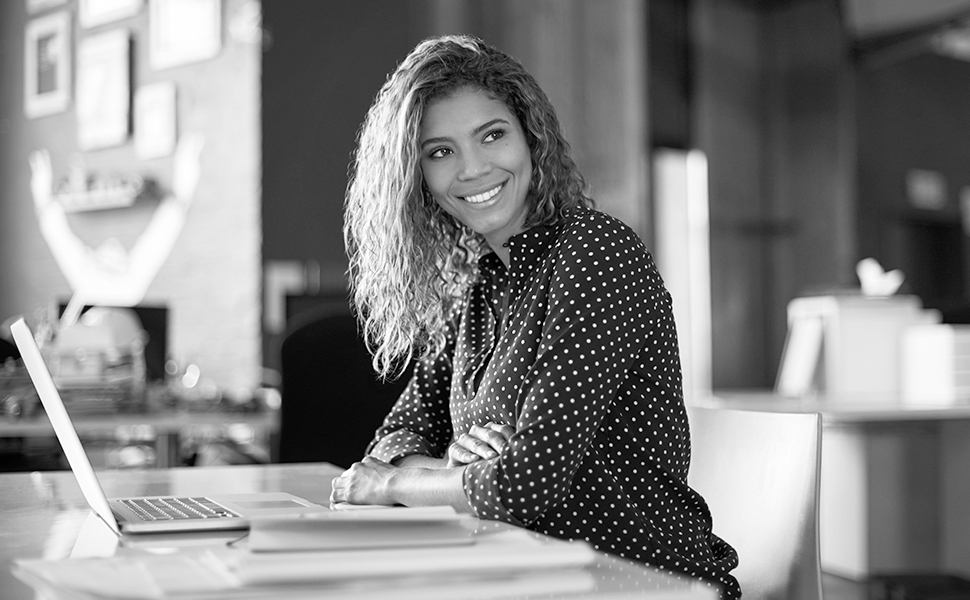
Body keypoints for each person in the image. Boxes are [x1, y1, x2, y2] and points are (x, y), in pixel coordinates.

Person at [333, 35, 740, 598]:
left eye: (492, 135)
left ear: (531, 138)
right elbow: (391, 438)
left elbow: (525, 485)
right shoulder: (478, 284)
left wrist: (399, 484)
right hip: (523, 576)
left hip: (639, 581)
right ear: (417, 178)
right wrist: (452, 463)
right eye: (439, 151)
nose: (473, 169)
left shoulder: (595, 252)